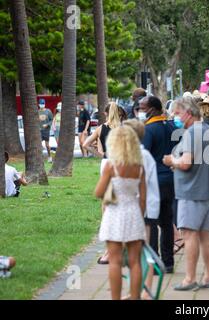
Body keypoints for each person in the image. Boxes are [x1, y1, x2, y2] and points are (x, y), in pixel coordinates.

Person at [162, 97, 209, 291]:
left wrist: (172, 161)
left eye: (177, 113)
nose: (175, 117)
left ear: (188, 113)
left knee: (189, 234)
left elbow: (186, 163)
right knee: (204, 234)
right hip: (208, 189)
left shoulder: (190, 133)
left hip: (192, 191)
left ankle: (190, 279)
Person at [95, 126, 146, 300]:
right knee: (135, 262)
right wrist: (139, 215)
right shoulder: (139, 168)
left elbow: (98, 192)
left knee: (115, 261)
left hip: (114, 213)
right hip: (133, 212)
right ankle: (134, 297)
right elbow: (143, 199)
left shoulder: (111, 166)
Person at [123, 119, 160, 300]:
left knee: (145, 250)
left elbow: (142, 187)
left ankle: (146, 290)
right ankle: (136, 290)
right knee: (136, 252)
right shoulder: (137, 154)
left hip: (143, 209)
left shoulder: (141, 156)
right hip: (139, 208)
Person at [142, 96, 177, 273]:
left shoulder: (148, 130)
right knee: (167, 221)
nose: (141, 111)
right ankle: (169, 262)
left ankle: (155, 264)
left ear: (153, 109)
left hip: (153, 181)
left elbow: (142, 156)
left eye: (143, 108)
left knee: (152, 223)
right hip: (171, 179)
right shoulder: (173, 126)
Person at [83, 102, 122, 265]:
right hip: (119, 162)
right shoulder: (122, 128)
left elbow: (85, 144)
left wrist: (98, 153)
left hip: (106, 162)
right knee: (118, 197)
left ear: (106, 113)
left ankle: (107, 225)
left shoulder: (101, 128)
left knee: (106, 199)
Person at [38, 98, 53, 163]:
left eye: (43, 104)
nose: (42, 105)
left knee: (47, 145)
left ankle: (49, 157)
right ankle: (40, 158)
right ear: (39, 104)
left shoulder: (48, 111)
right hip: (39, 130)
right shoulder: (37, 112)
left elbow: (51, 120)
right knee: (39, 145)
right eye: (41, 104)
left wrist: (47, 125)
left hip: (46, 130)